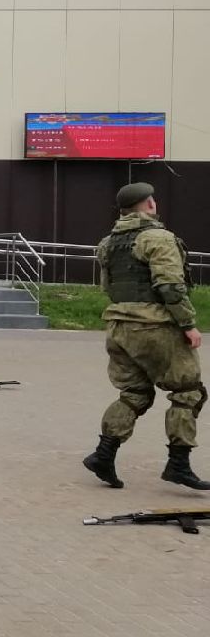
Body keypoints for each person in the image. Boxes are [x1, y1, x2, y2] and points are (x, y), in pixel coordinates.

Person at [84, 182, 210, 491]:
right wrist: (188, 325)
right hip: (155, 326)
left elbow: (107, 287)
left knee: (134, 394)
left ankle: (103, 455)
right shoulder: (158, 238)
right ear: (150, 204)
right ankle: (178, 464)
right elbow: (170, 286)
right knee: (188, 392)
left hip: (118, 325)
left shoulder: (108, 243)